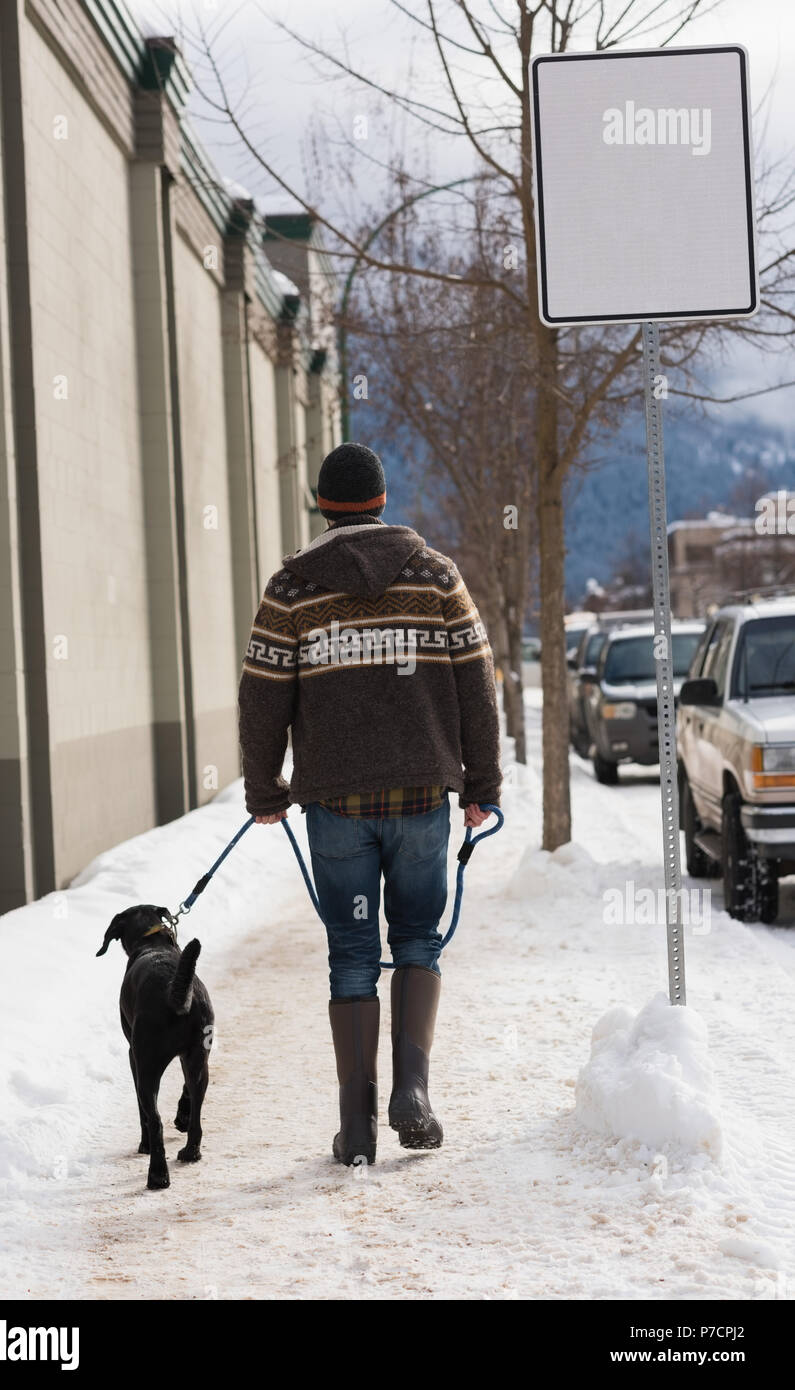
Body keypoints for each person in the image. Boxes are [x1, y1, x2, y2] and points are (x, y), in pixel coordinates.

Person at [238, 443, 501, 1165]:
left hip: (335, 805)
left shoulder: (290, 588)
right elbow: (477, 686)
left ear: (322, 506)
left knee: (351, 954)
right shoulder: (437, 576)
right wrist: (482, 786)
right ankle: (411, 1095)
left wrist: (265, 789)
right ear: (383, 501)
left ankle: (355, 1129)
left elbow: (261, 698)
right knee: (416, 941)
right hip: (419, 796)